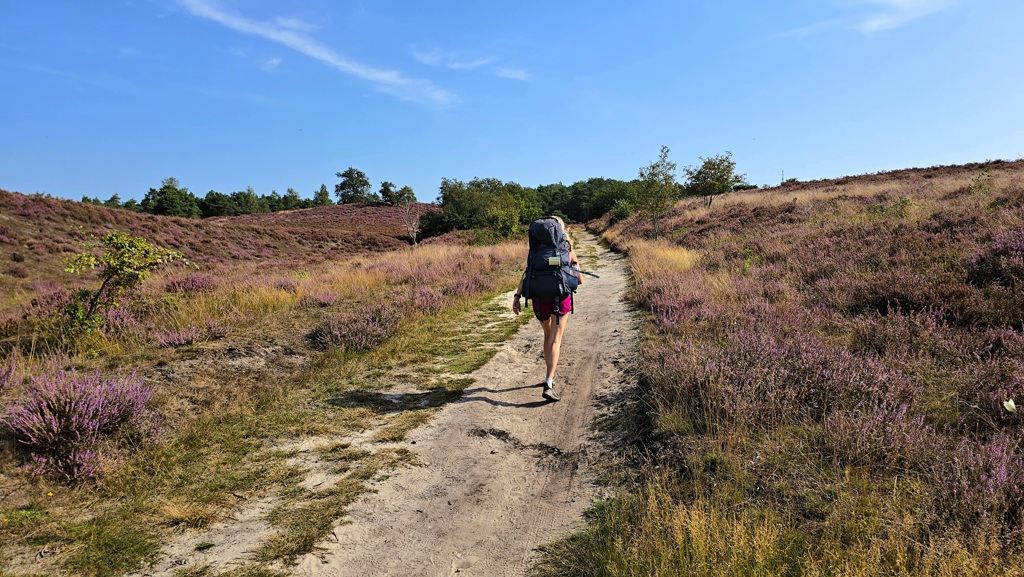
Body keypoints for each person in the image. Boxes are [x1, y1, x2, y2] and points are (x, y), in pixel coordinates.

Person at [511, 216, 583, 401]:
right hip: (560, 298)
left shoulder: (535, 252)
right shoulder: (567, 250)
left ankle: (550, 373)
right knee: (555, 340)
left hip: (539, 299)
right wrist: (573, 265)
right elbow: (580, 280)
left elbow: (527, 273)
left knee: (547, 336)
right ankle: (549, 381)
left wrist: (517, 297)